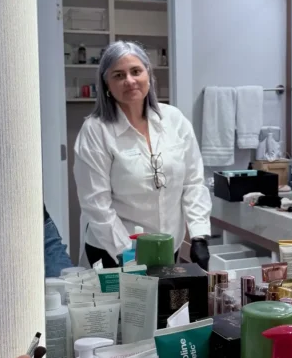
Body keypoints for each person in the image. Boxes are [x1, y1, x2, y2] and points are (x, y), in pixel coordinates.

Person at [73, 41, 211, 269]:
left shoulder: (174, 120)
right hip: (114, 250)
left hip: (167, 247)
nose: (129, 80)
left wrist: (198, 234)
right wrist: (129, 253)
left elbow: (193, 182)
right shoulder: (96, 130)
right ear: (106, 84)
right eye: (119, 75)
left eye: (136, 71)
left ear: (148, 75)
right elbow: (96, 204)